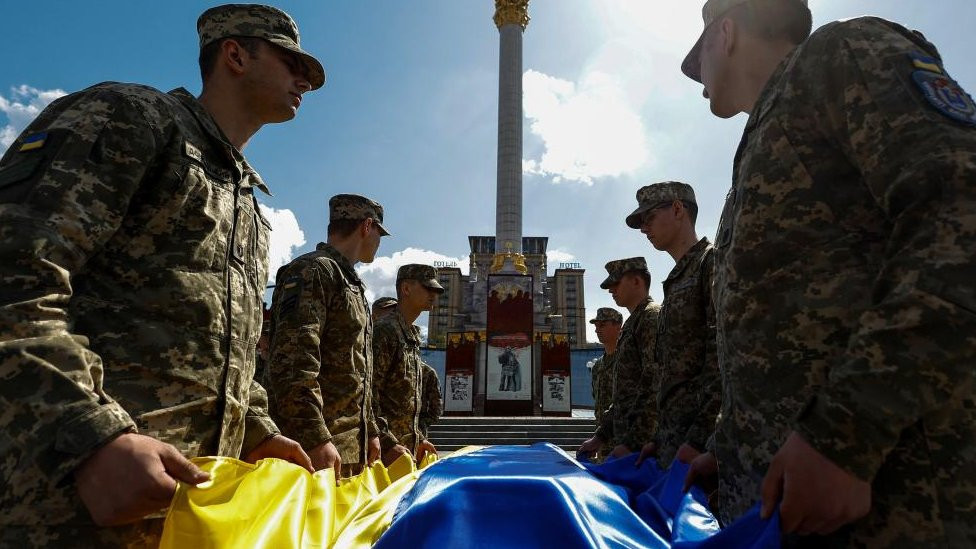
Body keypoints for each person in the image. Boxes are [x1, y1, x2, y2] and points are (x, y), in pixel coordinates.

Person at [0, 4, 321, 545]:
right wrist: (93, 436)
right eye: (292, 62)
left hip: (182, 512)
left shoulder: (246, 199)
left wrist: (257, 431)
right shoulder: (131, 118)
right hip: (67, 506)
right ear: (236, 55)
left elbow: (222, 348)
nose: (305, 81)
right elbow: (17, 275)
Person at [682, 0, 976, 544]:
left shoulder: (843, 54)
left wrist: (847, 435)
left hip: (897, 507)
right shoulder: (759, 144)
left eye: (698, 54)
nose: (695, 74)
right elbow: (779, 332)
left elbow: (959, 212)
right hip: (790, 509)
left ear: (725, 32)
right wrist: (728, 451)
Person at [266, 194, 404, 477]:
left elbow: (357, 374)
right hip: (316, 452)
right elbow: (293, 362)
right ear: (367, 227)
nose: (379, 241)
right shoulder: (314, 271)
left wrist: (372, 432)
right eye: (379, 232)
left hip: (347, 449)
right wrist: (314, 436)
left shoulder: (351, 283)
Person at [628, 182, 719, 468]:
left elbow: (722, 360)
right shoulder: (678, 280)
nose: (644, 228)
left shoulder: (712, 263)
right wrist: (657, 439)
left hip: (702, 452)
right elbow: (671, 375)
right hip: (675, 445)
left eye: (649, 218)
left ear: (678, 209)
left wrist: (699, 439)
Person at [577, 258, 660, 461]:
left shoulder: (651, 318)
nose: (611, 290)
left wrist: (632, 443)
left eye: (616, 283)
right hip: (625, 442)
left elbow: (654, 385)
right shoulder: (635, 323)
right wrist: (601, 436)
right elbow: (624, 396)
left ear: (637, 282)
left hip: (642, 447)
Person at [372, 264, 444, 464]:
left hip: (405, 452)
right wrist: (387, 443)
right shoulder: (385, 332)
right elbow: (368, 394)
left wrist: (419, 439)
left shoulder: (410, 336)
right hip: (382, 455)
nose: (433, 295)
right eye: (427, 288)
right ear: (406, 289)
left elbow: (404, 400)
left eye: (436, 290)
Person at [588, 307, 623, 460]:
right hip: (603, 441)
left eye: (602, 325)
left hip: (623, 442)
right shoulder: (597, 366)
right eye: (596, 326)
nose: (597, 330)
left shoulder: (627, 360)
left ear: (618, 326)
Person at [418, 361, 444, 444]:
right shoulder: (427, 370)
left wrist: (425, 421)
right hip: (418, 425)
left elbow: (436, 404)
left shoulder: (426, 371)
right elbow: (437, 403)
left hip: (418, 425)